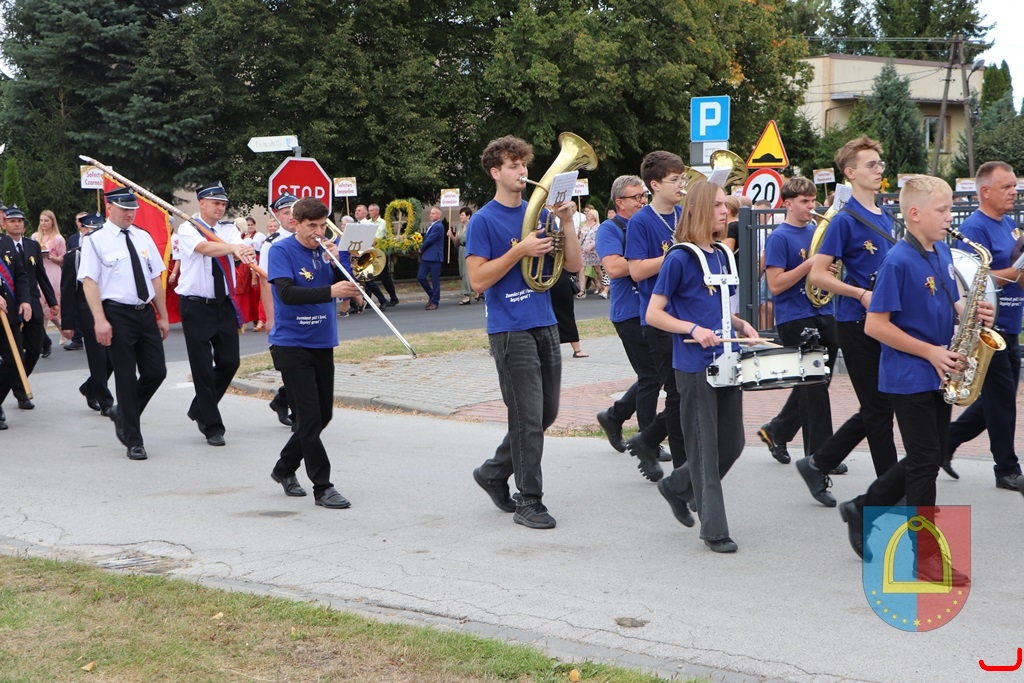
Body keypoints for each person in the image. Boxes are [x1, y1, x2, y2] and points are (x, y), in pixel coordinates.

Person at [838, 176, 997, 565]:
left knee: (931, 455)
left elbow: (952, 300)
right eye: (942, 210)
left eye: (949, 209)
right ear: (914, 214)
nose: (949, 217)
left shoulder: (940, 250)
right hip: (908, 374)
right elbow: (875, 325)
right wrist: (930, 352)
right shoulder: (897, 261)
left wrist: (972, 313)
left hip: (939, 370)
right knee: (925, 463)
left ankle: (863, 507)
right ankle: (923, 556)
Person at [467, 134, 582, 530]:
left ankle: (493, 472)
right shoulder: (483, 220)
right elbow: (477, 280)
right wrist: (519, 251)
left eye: (524, 165)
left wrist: (567, 222)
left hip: (545, 322)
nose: (522, 172)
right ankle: (529, 500)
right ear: (495, 172)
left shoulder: (543, 215)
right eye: (513, 166)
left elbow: (573, 266)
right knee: (528, 418)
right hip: (509, 329)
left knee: (545, 414)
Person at [647, 180, 759, 553]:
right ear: (696, 211)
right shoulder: (679, 258)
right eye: (718, 205)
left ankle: (676, 485)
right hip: (695, 366)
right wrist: (691, 329)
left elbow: (720, 308)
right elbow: (654, 313)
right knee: (703, 449)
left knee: (733, 443)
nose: (726, 211)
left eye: (725, 205)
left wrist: (741, 325)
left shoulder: (723, 254)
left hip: (727, 361)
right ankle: (714, 529)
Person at [789, 136, 899, 490]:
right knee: (879, 410)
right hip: (856, 321)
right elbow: (819, 274)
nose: (879, 170)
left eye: (880, 164)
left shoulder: (887, 216)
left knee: (881, 405)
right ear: (850, 173)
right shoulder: (844, 220)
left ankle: (819, 462)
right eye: (871, 165)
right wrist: (859, 293)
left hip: (887, 320)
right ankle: (890, 491)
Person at [267, 197, 362, 509]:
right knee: (308, 418)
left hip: (322, 341)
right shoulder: (281, 250)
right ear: (296, 223)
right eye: (312, 226)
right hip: (292, 344)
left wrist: (341, 264)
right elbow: (286, 293)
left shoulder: (325, 252)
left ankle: (284, 468)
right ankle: (323, 487)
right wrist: (331, 291)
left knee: (323, 416)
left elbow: (347, 284)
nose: (319, 232)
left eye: (323, 226)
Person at [756, 178, 842, 506]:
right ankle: (820, 457)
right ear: (788, 203)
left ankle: (777, 431)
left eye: (812, 200)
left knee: (815, 383)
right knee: (815, 387)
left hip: (823, 310)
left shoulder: (818, 233)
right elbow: (776, 285)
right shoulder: (780, 237)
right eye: (804, 201)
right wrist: (810, 265)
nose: (811, 207)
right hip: (794, 316)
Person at [941, 161, 1024, 489]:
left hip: (1011, 323)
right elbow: (969, 279)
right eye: (1007, 187)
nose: (1014, 192)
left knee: (995, 400)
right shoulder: (974, 228)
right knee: (1001, 401)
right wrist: (1015, 272)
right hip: (987, 327)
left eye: (1014, 186)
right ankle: (1006, 469)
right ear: (985, 192)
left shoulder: (1010, 225)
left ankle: (945, 442)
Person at [79, 187, 169, 461]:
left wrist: (163, 315)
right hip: (116, 313)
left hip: (144, 312)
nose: (130, 214)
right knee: (126, 378)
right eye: (125, 209)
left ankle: (123, 412)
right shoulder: (96, 240)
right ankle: (134, 440)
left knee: (156, 372)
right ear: (110, 208)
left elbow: (155, 278)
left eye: (133, 210)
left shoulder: (143, 236)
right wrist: (100, 320)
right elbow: (89, 282)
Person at [623, 150, 690, 481]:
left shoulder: (683, 214)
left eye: (682, 178)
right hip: (658, 317)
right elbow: (636, 271)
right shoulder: (641, 221)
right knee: (677, 393)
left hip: (686, 314)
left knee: (686, 392)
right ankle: (682, 469)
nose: (681, 185)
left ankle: (647, 439)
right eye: (674, 179)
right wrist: (676, 255)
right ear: (654, 185)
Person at [175, 182, 256, 447]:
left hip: (223, 303)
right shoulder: (188, 228)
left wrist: (242, 249)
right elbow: (205, 249)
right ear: (202, 203)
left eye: (223, 204)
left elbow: (239, 247)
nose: (221, 208)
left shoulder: (229, 229)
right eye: (215, 203)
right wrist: (233, 248)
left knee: (230, 362)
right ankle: (212, 426)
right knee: (201, 367)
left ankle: (199, 407)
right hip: (196, 305)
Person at [594, 175, 663, 456]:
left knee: (656, 375)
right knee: (651, 376)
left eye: (644, 195)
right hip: (629, 312)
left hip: (654, 309)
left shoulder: (648, 222)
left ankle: (615, 416)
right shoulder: (609, 229)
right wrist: (647, 261)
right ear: (619, 202)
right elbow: (613, 268)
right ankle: (648, 441)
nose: (643, 200)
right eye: (636, 197)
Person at [5, 205, 59, 410]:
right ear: (4, 224)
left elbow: (40, 275)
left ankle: (18, 382)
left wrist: (52, 301)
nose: (17, 224)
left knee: (35, 349)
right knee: (14, 354)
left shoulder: (32, 245)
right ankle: (19, 391)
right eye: (12, 221)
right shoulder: (2, 245)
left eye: (20, 221)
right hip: (10, 305)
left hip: (32, 303)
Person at [60, 211, 114, 414]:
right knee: (98, 358)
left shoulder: (110, 253)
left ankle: (90, 387)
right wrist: (67, 324)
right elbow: (68, 292)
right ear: (83, 230)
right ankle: (105, 401)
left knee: (113, 357)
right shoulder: (74, 256)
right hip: (88, 313)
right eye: (93, 230)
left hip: (111, 310)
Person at [259, 193, 299, 427]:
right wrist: (270, 317)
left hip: (306, 308)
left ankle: (282, 400)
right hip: (283, 310)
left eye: (294, 212)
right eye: (286, 213)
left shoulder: (311, 237)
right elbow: (265, 282)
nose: (291, 217)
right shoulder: (271, 243)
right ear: (277, 216)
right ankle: (298, 416)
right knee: (290, 365)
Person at [0, 208, 31, 431]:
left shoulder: (6, 242)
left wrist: (25, 300)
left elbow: (20, 274)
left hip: (8, 315)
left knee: (14, 361)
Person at [32, 209, 65, 356]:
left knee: (51, 303)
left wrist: (50, 256)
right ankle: (43, 339)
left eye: (46, 220)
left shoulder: (58, 239)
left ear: (52, 222)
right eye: (41, 220)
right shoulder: (35, 237)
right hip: (39, 270)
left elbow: (62, 259)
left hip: (52, 270)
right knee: (40, 304)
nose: (43, 223)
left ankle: (61, 329)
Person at [61, 212, 89, 351]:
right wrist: (67, 324)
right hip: (77, 278)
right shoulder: (73, 239)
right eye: (79, 220)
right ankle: (77, 338)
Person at [368, 203, 400, 307]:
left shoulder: (384, 223)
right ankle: (368, 300)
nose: (369, 212)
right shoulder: (367, 223)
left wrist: (378, 241)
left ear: (377, 211)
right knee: (369, 276)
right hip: (370, 252)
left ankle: (393, 297)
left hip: (380, 252)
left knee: (384, 276)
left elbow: (388, 237)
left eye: (371, 210)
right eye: (369, 210)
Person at [418, 207, 444, 310]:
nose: (430, 215)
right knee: (421, 277)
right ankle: (432, 294)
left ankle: (435, 301)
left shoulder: (438, 226)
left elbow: (430, 240)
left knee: (435, 280)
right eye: (431, 213)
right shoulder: (431, 225)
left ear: (438, 215)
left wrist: (421, 248)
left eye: (433, 213)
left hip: (434, 257)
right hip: (427, 257)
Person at [449, 206, 477, 305]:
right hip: (461, 250)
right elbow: (456, 242)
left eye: (462, 215)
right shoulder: (459, 226)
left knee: (466, 273)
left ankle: (466, 295)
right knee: (462, 272)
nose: (460, 217)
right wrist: (451, 236)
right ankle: (478, 290)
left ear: (468, 216)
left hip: (469, 250)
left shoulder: (472, 225)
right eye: (460, 215)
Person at [578, 205, 606, 298]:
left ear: (594, 215)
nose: (587, 215)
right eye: (587, 213)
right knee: (582, 268)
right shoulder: (583, 225)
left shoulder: (598, 226)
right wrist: (579, 235)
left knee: (597, 269)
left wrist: (591, 246)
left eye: (589, 214)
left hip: (593, 250)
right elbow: (580, 238)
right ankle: (582, 290)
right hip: (583, 249)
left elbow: (599, 238)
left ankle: (603, 286)